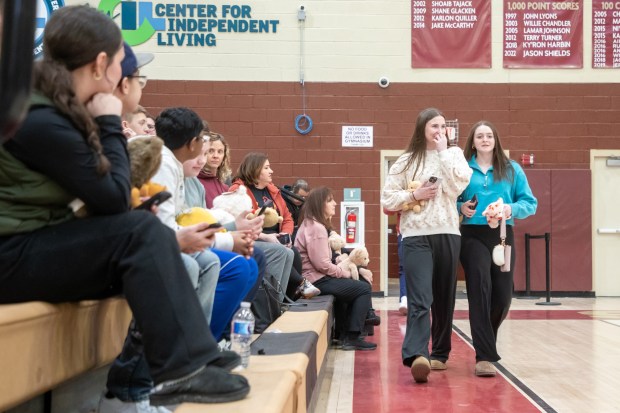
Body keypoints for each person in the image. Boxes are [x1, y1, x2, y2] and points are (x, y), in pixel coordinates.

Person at [0, 5, 248, 409]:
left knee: (144, 241)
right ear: (101, 64)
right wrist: (110, 122)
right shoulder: (39, 116)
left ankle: (182, 361)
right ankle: (178, 369)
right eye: (121, 65)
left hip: (27, 245)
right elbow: (113, 197)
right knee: (140, 233)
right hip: (11, 256)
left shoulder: (48, 107)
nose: (123, 78)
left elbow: (101, 199)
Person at [151, 106, 259, 341]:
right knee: (226, 265)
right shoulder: (164, 165)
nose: (207, 153)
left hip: (165, 241)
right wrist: (227, 238)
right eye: (204, 143)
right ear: (192, 144)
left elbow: (184, 220)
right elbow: (170, 230)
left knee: (244, 261)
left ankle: (207, 341)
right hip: (154, 245)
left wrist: (229, 233)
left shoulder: (173, 166)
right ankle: (200, 342)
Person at [381, 107, 472, 383]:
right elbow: (386, 200)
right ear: (422, 128)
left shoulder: (454, 155)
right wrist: (415, 194)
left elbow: (459, 185)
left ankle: (440, 353)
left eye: (443, 126)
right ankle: (417, 354)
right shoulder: (406, 161)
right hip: (415, 236)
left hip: (448, 233)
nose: (439, 131)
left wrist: (444, 153)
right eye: (434, 126)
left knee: (444, 298)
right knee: (420, 298)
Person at [458, 120, 537, 377]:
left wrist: (510, 209)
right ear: (473, 141)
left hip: (503, 234)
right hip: (471, 234)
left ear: (495, 140)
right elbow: (451, 198)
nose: (484, 139)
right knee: (480, 285)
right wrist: (460, 207)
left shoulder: (512, 169)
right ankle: (484, 356)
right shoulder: (462, 169)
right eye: (479, 136)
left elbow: (530, 203)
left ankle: (485, 339)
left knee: (503, 296)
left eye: (489, 135)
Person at [230, 152, 320, 300]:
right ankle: (278, 298)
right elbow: (240, 223)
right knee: (283, 251)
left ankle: (283, 299)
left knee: (293, 252)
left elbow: (287, 218)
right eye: (267, 168)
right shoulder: (239, 190)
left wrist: (286, 234)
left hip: (276, 238)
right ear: (255, 169)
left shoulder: (273, 191)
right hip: (254, 237)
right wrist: (266, 237)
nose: (271, 171)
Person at [295, 186, 376, 351]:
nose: (335, 203)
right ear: (320, 204)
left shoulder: (312, 224)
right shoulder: (317, 228)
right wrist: (345, 273)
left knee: (356, 283)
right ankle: (353, 336)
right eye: (330, 200)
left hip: (315, 278)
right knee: (363, 289)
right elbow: (322, 265)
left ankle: (343, 333)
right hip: (315, 281)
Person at [198, 130, 232, 208]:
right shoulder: (195, 182)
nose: (215, 156)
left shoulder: (225, 187)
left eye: (220, 152)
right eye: (211, 151)